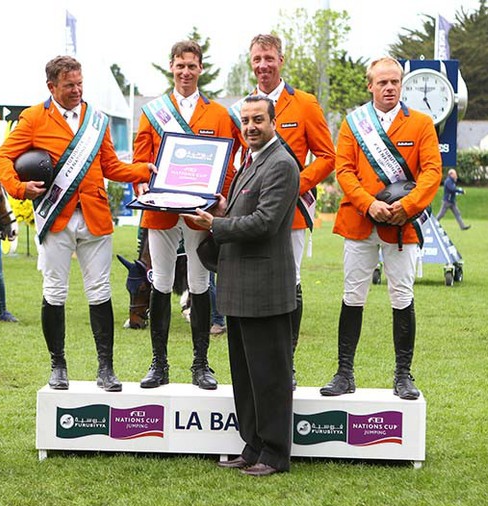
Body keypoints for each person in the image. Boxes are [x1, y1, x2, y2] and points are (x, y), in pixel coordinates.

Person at [0, 55, 153, 392]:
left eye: (80, 84)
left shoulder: (97, 119)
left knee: (100, 292)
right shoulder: (34, 118)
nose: (77, 90)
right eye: (69, 86)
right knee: (55, 291)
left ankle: (106, 369)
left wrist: (142, 170)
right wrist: (19, 188)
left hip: (94, 215)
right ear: (51, 86)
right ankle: (58, 366)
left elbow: (110, 166)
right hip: (56, 216)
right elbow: (2, 157)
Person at [185, 95, 299, 476]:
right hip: (240, 287)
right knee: (247, 377)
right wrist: (222, 211)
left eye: (258, 120)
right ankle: (253, 446)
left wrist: (214, 225)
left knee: (269, 376)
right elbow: (245, 213)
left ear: (273, 121)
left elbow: (265, 222)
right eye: (246, 120)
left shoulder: (281, 164)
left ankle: (275, 454)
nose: (250, 127)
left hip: (264, 288)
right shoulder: (251, 161)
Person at [319, 57, 442, 401]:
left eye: (395, 82)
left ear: (401, 85)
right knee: (352, 295)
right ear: (369, 85)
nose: (389, 88)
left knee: (402, 296)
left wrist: (407, 206)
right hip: (360, 220)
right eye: (383, 82)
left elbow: (432, 172)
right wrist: (368, 203)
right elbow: (344, 171)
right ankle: (345, 372)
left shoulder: (421, 123)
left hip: (402, 224)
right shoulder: (353, 123)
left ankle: (403, 375)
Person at [133, 40, 240, 390]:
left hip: (198, 210)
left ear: (200, 69)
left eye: (192, 66)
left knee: (198, 283)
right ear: (171, 67)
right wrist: (142, 186)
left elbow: (230, 159)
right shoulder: (153, 112)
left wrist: (220, 196)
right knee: (160, 282)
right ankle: (158, 364)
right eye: (180, 66)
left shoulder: (219, 114)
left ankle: (201, 365)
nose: (185, 72)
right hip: (162, 210)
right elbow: (140, 161)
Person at [231, 34, 336, 389]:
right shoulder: (243, 106)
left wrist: (295, 186)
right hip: (248, 212)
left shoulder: (304, 103)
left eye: (269, 58)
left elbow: (326, 156)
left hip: (290, 214)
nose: (263, 65)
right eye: (257, 59)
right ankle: (259, 364)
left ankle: (285, 365)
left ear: (281, 60)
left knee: (288, 284)